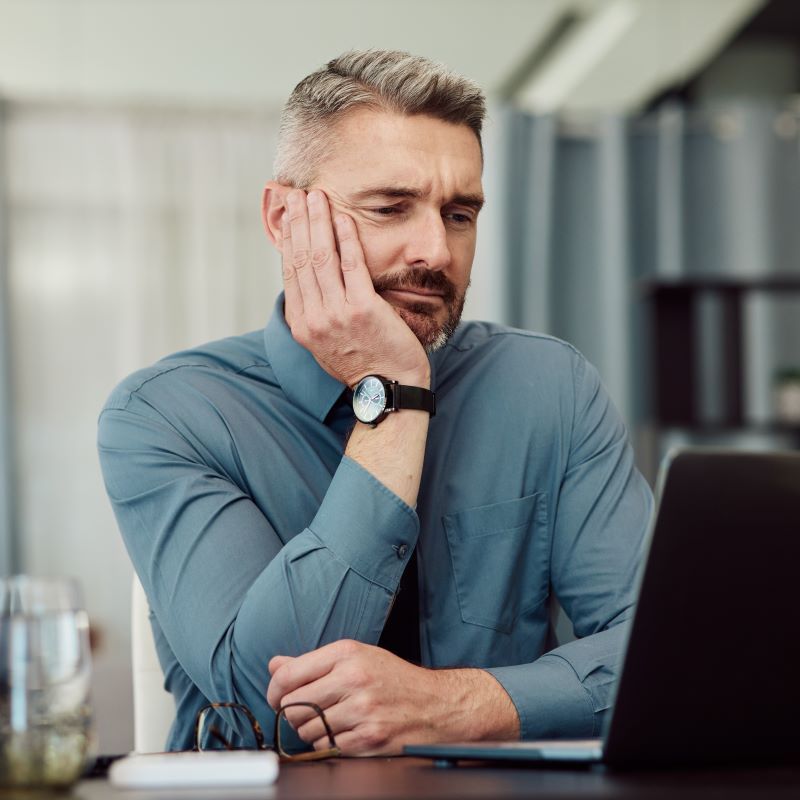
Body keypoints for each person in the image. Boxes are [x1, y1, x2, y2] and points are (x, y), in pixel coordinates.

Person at [98, 49, 653, 756]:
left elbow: (661, 657)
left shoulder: (550, 388)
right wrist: (392, 393)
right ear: (282, 218)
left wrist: (456, 704)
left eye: (459, 214)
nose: (437, 251)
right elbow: (275, 717)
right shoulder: (167, 414)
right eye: (391, 207)